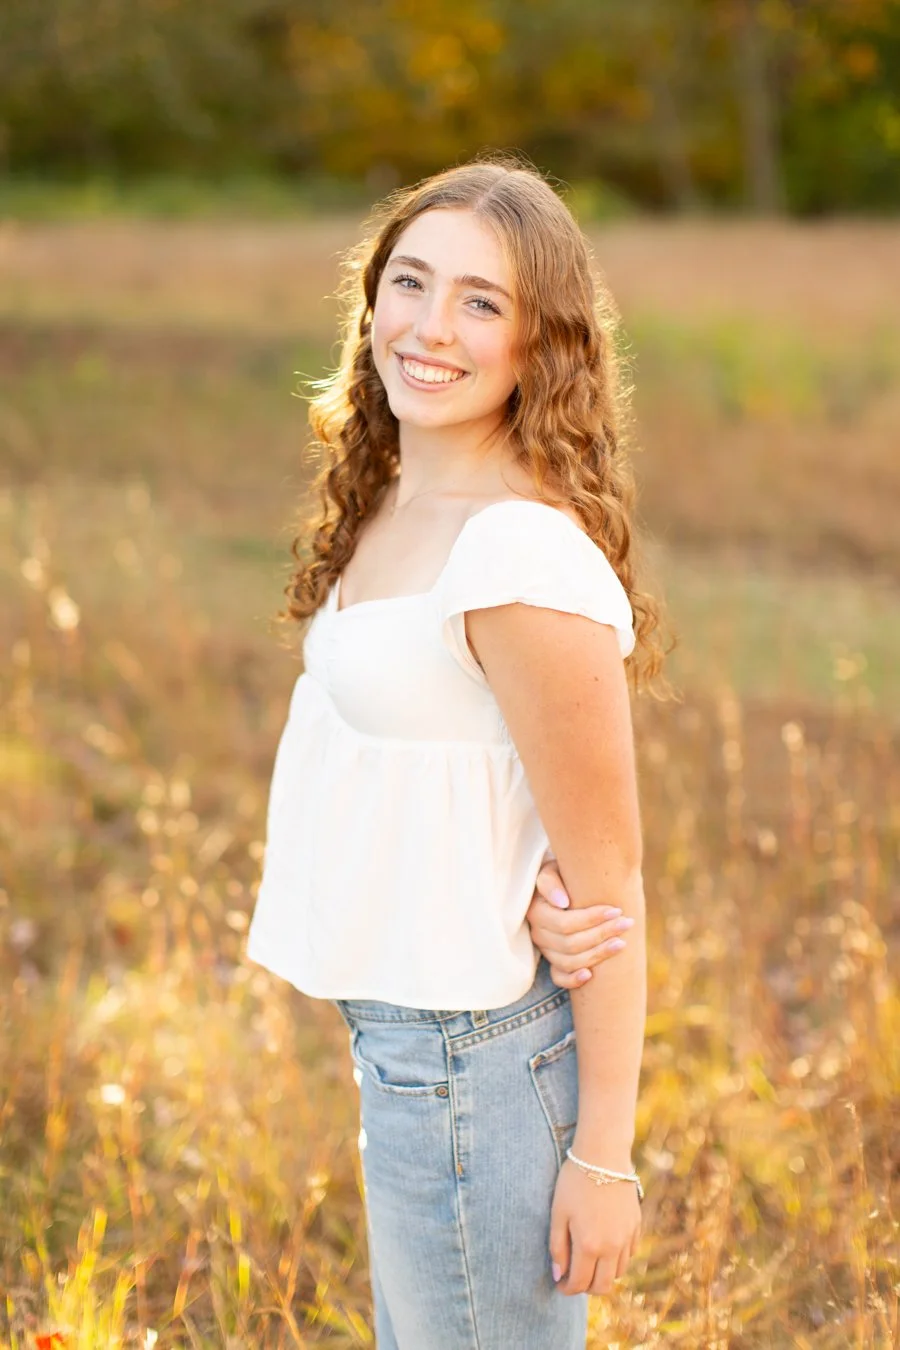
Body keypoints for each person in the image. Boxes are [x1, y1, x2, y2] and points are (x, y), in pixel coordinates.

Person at [247, 153, 670, 1349]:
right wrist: (504, 865)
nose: (431, 328)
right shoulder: (393, 500)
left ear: (541, 343)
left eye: (481, 302)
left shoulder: (516, 555)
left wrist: (603, 1154)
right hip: (407, 1044)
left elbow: (610, 885)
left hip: (477, 1064)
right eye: (411, 282)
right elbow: (432, 757)